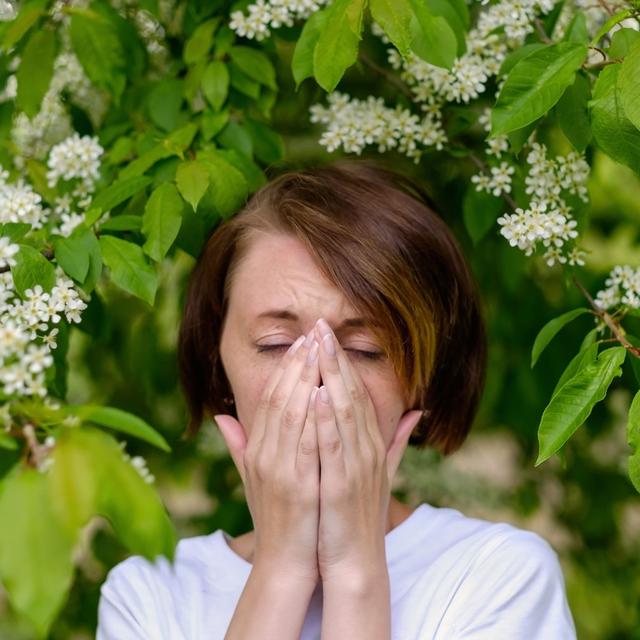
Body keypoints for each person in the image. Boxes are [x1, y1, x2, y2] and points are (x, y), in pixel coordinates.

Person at [96, 159, 577, 639]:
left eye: (366, 350)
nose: (321, 385)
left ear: (424, 378)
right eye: (276, 343)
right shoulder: (150, 599)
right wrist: (281, 569)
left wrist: (355, 573)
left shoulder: (497, 579)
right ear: (215, 360)